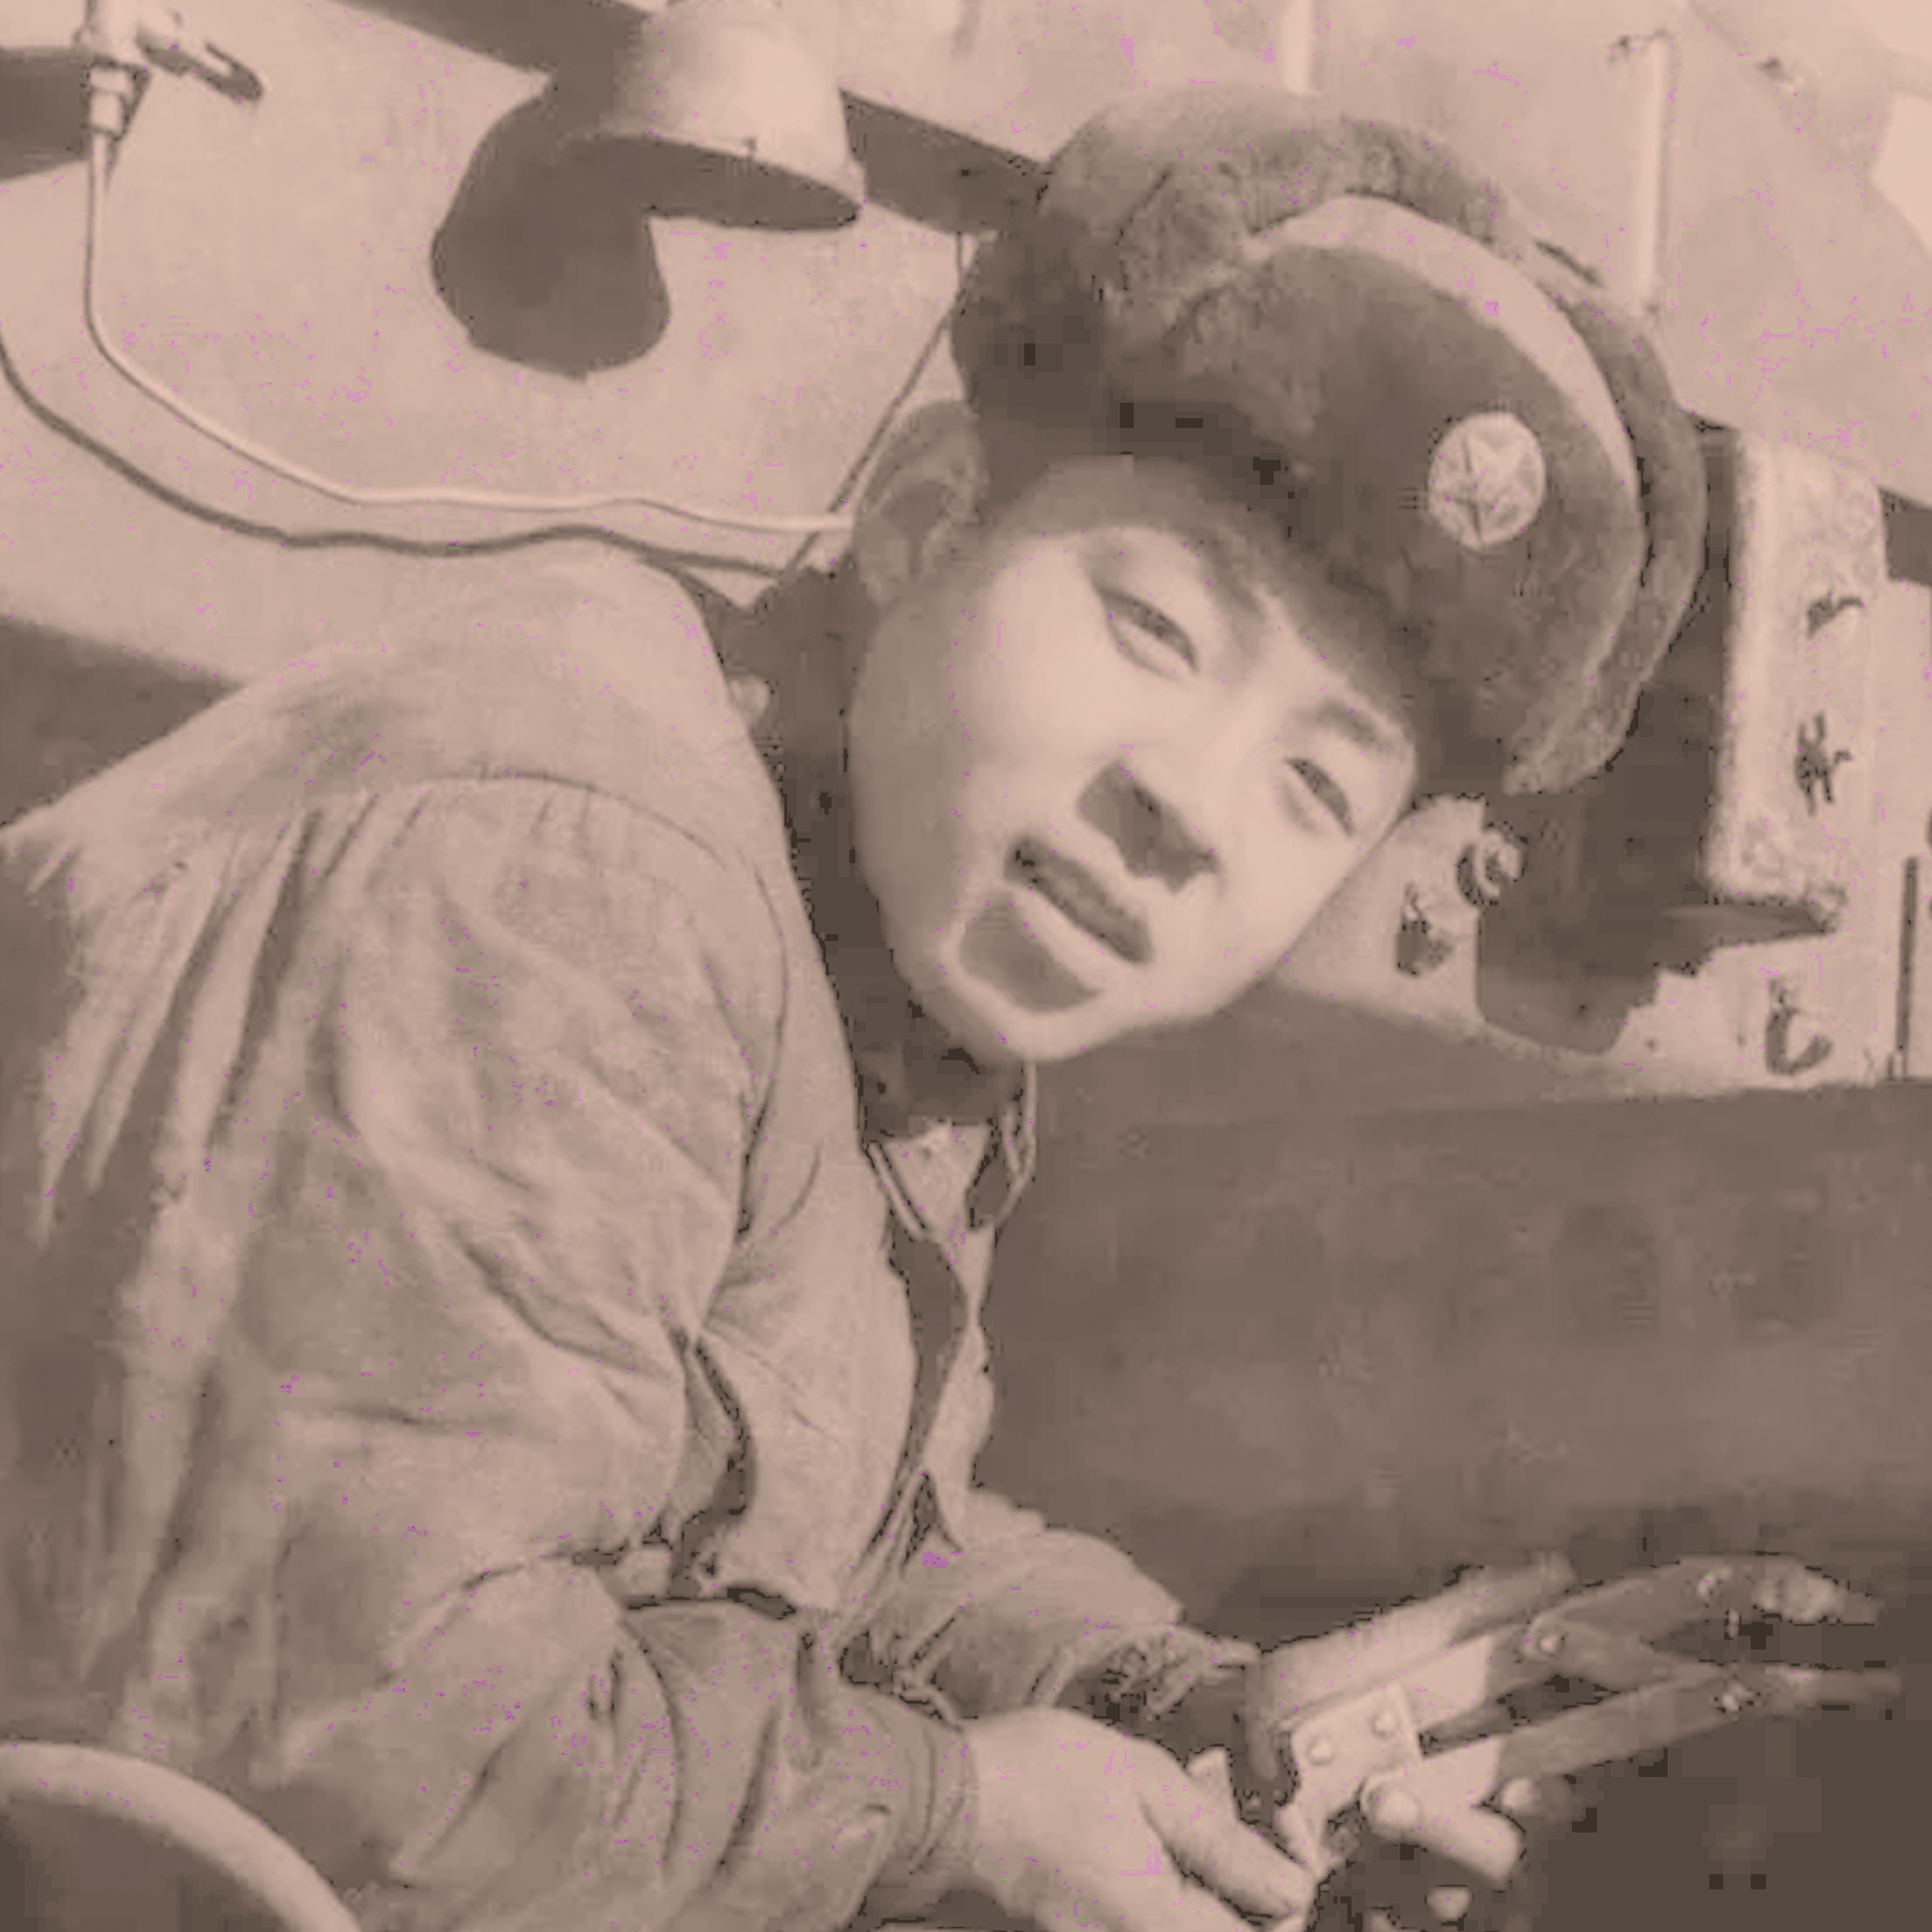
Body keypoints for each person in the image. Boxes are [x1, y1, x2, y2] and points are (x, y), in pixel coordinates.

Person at [0, 83, 1705, 1932]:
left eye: (1313, 782)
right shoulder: (572, 881)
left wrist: (1175, 1708)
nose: (1190, 804)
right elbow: (344, 1737)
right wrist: (954, 1810)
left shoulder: (881, 950)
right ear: (921, 518)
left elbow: (822, 1552)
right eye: (1156, 630)